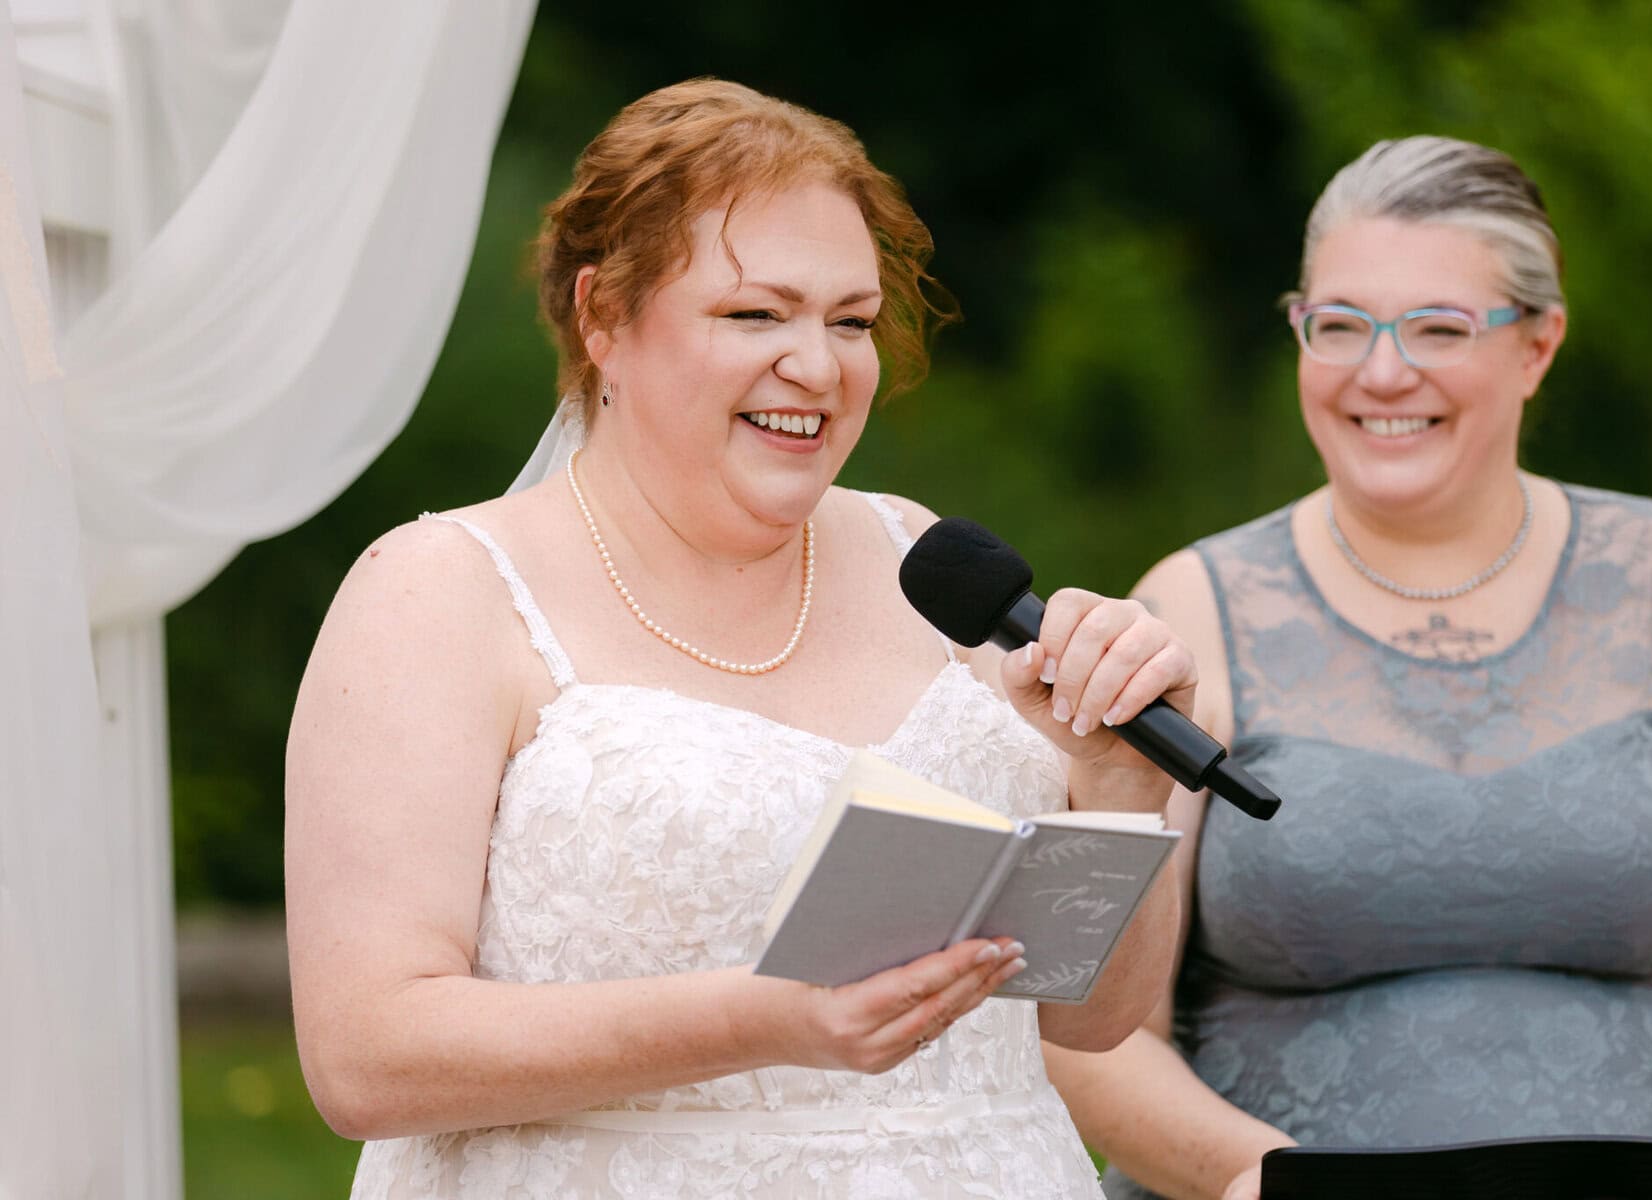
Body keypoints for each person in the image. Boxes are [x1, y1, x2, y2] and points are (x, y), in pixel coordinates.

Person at [285, 79, 1195, 1199]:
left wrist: (1114, 783)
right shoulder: (439, 592)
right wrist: (763, 1019)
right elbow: (365, 1056)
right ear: (602, 319)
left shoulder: (924, 558)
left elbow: (1089, 1016)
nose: (818, 366)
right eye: (755, 315)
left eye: (850, 320)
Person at [1043, 135, 1652, 1200]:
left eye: (1437, 328)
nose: (1381, 372)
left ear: (1538, 345)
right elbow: (1094, 1033)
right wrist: (1276, 1185)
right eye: (1340, 326)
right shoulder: (1187, 606)